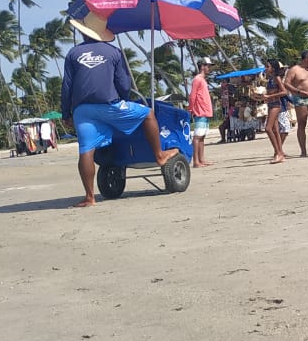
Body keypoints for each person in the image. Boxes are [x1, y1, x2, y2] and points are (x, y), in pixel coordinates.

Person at [60, 14, 175, 207]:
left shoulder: (73, 53)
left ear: (84, 31)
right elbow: (123, 83)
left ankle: (90, 197)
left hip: (82, 110)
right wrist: (125, 101)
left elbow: (67, 86)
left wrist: (66, 114)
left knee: (86, 150)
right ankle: (159, 155)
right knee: (148, 114)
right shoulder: (113, 52)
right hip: (109, 104)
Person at [285, 50, 308, 157]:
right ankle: (303, 151)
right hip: (300, 97)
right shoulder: (294, 70)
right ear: (306, 58)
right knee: (302, 123)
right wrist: (299, 91)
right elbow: (286, 83)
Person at [188, 57, 215, 168]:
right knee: (197, 136)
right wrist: (191, 109)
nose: (209, 68)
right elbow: (192, 96)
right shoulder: (197, 79)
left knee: (202, 136)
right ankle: (196, 161)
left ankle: (201, 159)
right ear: (202, 66)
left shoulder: (203, 80)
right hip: (200, 111)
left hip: (205, 111)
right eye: (208, 66)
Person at [263, 59, 289, 164]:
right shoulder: (271, 79)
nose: (266, 68)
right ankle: (279, 152)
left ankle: (278, 152)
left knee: (268, 128)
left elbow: (284, 92)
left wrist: (270, 96)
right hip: (271, 104)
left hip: (275, 105)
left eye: (267, 66)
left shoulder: (276, 78)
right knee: (275, 130)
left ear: (272, 68)